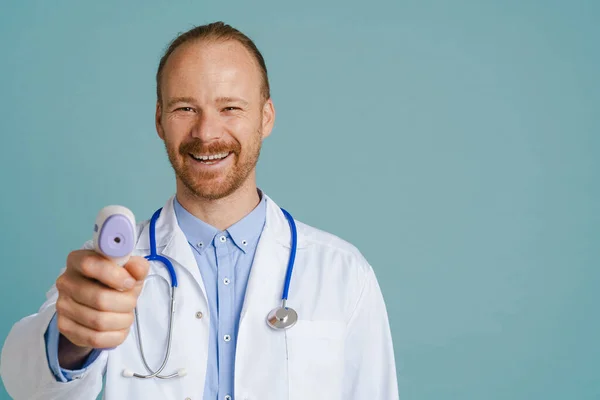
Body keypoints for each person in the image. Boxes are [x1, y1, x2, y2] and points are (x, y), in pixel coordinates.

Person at [0, 21, 399, 400]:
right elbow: (28, 385)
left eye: (230, 108)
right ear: (159, 119)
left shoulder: (344, 272)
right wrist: (73, 338)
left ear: (266, 117)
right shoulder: (109, 268)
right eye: (185, 109)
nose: (206, 133)